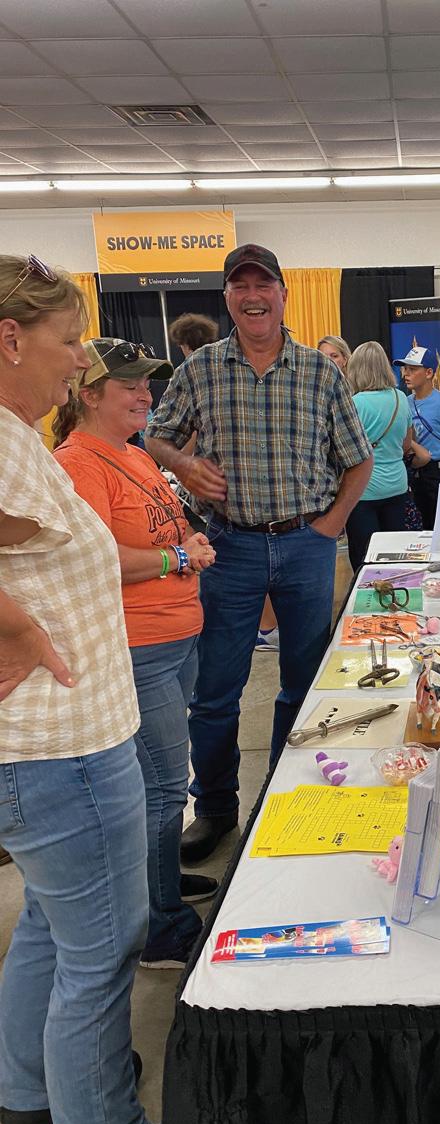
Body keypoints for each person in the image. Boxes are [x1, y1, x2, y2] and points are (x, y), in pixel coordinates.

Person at [0, 255, 158, 1124]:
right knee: (100, 951)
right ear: (11, 340)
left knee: (53, 929)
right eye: (68, 343)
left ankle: (27, 1089)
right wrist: (14, 624)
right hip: (64, 749)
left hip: (51, 746)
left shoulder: (19, 434)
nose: (80, 363)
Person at [145, 243, 373, 864]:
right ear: (227, 297)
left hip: (305, 545)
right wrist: (185, 465)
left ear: (282, 294)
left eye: (263, 285)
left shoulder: (321, 372)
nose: (252, 296)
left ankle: (282, 797)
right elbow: (156, 437)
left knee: (303, 685)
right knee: (216, 692)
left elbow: (359, 460)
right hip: (230, 545)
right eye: (240, 286)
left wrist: (329, 527)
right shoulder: (200, 370)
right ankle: (215, 809)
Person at [53, 337, 219, 969]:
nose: (145, 395)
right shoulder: (79, 464)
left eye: (147, 383)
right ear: (88, 394)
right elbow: (98, 560)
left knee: (166, 783)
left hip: (175, 641)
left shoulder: (134, 454)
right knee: (162, 787)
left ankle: (163, 886)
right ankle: (159, 927)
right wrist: (178, 557)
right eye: (130, 385)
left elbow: (169, 524)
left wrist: (191, 542)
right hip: (139, 648)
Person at [343, 341, 418, 570]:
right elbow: (407, 445)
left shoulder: (354, 403)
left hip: (363, 491)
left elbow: (344, 451)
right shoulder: (400, 398)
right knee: (395, 556)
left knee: (364, 558)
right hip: (397, 486)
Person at [393, 345, 440, 529]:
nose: (406, 374)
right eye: (405, 369)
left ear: (429, 373)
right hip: (416, 472)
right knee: (419, 526)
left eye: (412, 369)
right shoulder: (404, 402)